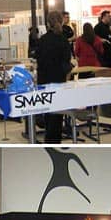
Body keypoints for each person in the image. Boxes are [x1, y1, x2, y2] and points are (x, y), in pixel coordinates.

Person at [36, 12, 72, 143]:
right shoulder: (63, 40)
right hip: (59, 80)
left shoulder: (42, 40)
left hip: (44, 81)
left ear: (48, 23)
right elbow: (66, 62)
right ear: (61, 22)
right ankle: (55, 139)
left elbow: (39, 60)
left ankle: (49, 139)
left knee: (48, 112)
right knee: (57, 114)